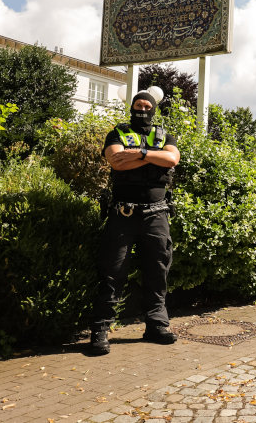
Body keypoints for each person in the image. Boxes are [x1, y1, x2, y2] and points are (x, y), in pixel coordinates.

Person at [90, 91, 181, 356]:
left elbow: (172, 159)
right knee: (112, 272)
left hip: (157, 215)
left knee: (157, 271)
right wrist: (153, 157)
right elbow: (116, 161)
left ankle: (156, 325)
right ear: (131, 108)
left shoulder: (166, 136)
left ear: (154, 109)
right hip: (123, 215)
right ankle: (100, 330)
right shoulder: (117, 133)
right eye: (138, 105)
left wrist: (139, 154)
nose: (143, 109)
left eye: (147, 106)